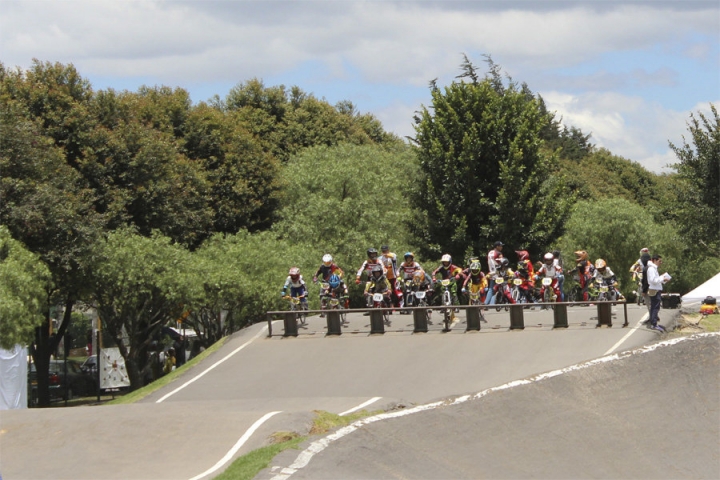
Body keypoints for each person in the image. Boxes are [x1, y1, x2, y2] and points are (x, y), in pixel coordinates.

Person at [646, 254, 670, 332]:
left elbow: (656, 280)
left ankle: (654, 323)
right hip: (654, 290)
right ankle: (654, 324)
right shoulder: (651, 269)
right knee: (655, 307)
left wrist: (663, 280)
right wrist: (662, 278)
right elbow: (653, 280)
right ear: (654, 260)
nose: (661, 262)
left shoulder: (654, 268)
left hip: (656, 289)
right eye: (659, 261)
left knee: (656, 307)